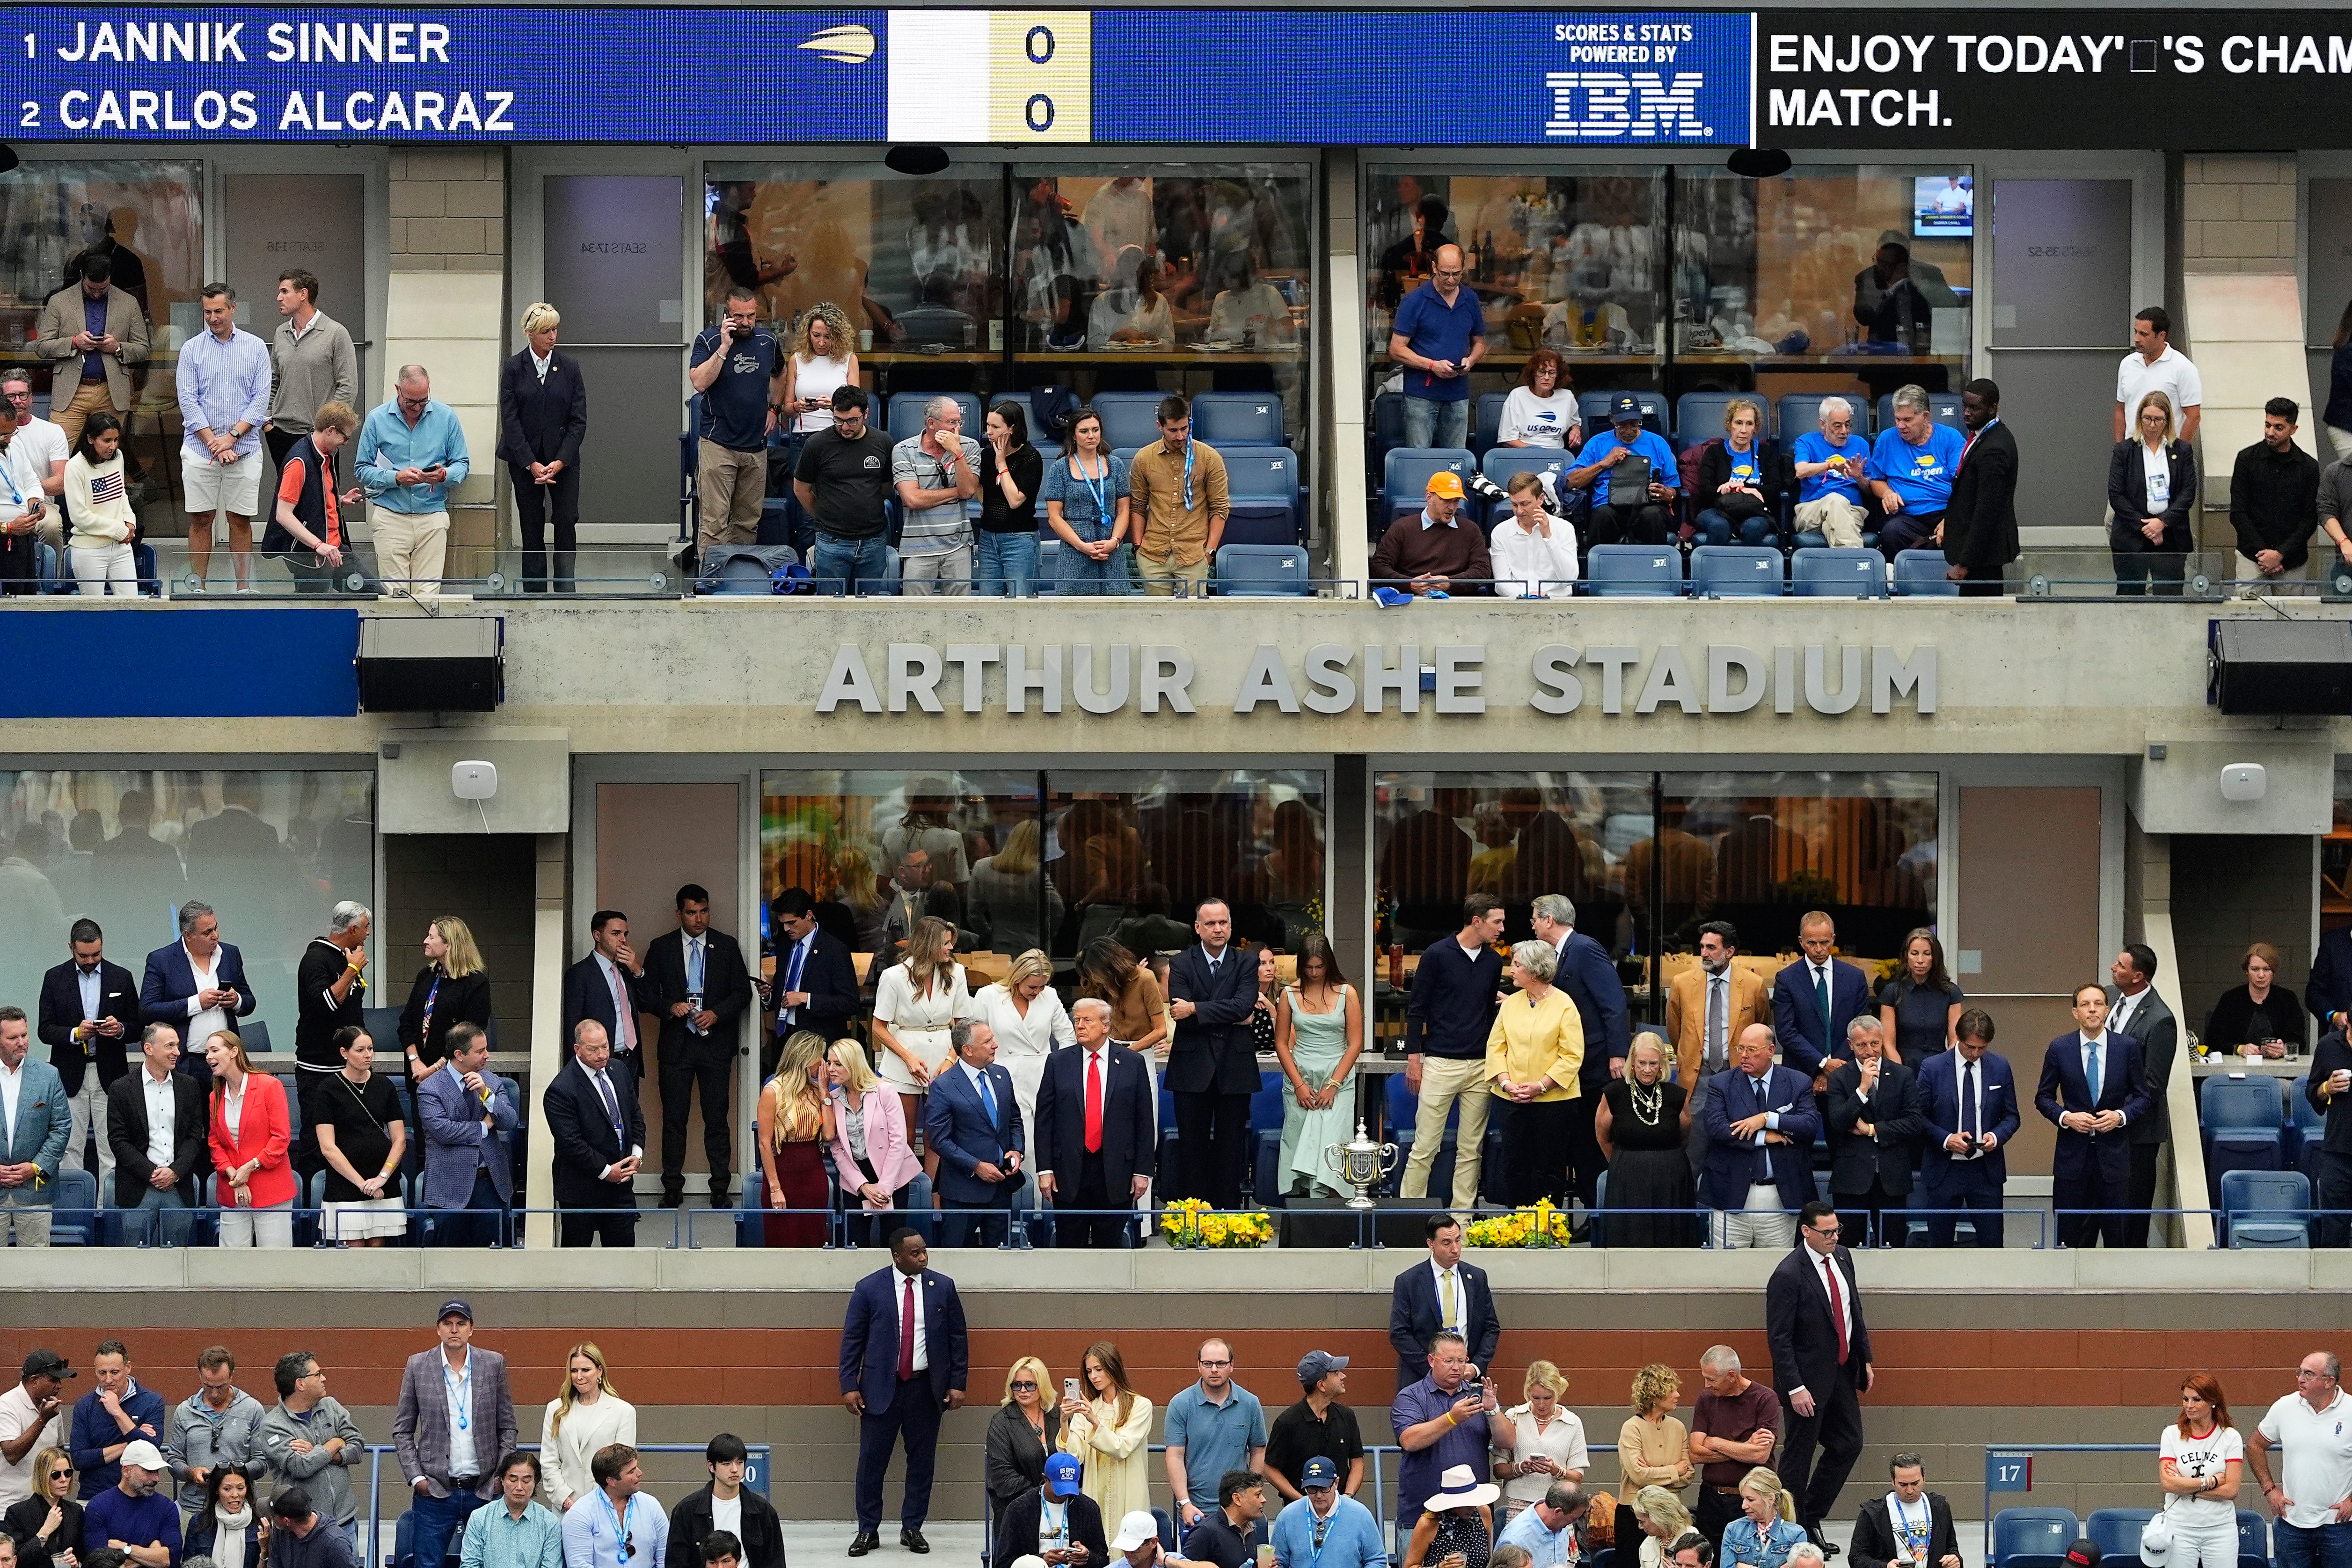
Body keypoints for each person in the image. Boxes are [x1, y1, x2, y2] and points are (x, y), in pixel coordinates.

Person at [839, 1230, 969, 1557]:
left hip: (926, 1389)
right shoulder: (869, 1288)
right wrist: (849, 1385)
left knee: (922, 1462)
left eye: (925, 1251)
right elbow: (852, 1340)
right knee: (871, 1463)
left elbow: (958, 1339)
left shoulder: (943, 1287)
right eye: (916, 1253)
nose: (923, 1257)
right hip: (880, 1390)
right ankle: (868, 1529)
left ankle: (912, 1527)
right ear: (897, 1256)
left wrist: (957, 1382)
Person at [1766, 1202, 1873, 1549]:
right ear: (1806, 1231)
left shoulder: (1842, 1256)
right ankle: (1792, 1532)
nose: (1834, 1237)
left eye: (1837, 1229)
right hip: (1805, 1382)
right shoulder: (1788, 1274)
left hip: (1841, 1371)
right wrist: (1795, 1386)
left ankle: (1810, 1516)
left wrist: (1866, 1359)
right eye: (1826, 1232)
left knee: (1849, 1443)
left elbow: (1853, 1309)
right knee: (1798, 1457)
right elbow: (1779, 1338)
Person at [644, 884, 752, 1210]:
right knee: (674, 1120)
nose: (699, 918)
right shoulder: (661, 947)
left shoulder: (726, 946)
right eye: (692, 912)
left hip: (715, 1046)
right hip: (677, 1046)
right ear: (679, 913)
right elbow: (646, 995)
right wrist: (670, 1006)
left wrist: (716, 1013)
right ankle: (672, 1187)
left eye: (704, 911)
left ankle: (721, 1186)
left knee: (717, 1119)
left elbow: (742, 993)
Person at [1402, 897, 1507, 1212]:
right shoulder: (1436, 955)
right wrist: (1414, 1059)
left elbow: (1489, 1009)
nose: (1502, 929)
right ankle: (1409, 1214)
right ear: (1477, 921)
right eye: (1497, 922)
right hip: (1440, 1062)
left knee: (1471, 1148)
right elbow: (1416, 1008)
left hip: (1480, 1065)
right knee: (1425, 1145)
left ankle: (1462, 1218)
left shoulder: (1493, 961)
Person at [393, 1302, 517, 1568]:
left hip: (485, 1489)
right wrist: (417, 1479)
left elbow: (507, 1426)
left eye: (461, 1324)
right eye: (448, 1324)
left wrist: (500, 1477)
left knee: (493, 1562)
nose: (454, 1330)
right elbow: (403, 1430)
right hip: (435, 1490)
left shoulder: (492, 1364)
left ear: (471, 1329)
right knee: (427, 1564)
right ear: (438, 1329)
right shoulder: (418, 1365)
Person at [1528, 894, 1628, 1211]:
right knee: (1579, 1142)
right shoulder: (1560, 953)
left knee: (1591, 1141)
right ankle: (1591, 1210)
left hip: (1596, 1064)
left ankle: (1600, 1213)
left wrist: (1618, 1053)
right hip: (1574, 1066)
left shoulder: (1584, 948)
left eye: (1535, 917)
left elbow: (1613, 1002)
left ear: (1549, 920)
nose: (1531, 923)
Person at [2037, 984, 2152, 1249]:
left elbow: (2143, 1096)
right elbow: (2043, 1098)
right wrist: (2066, 1117)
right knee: (2069, 1238)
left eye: (2098, 1004)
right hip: (2072, 1158)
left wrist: (2121, 1116)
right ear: (2075, 1012)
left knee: (2117, 1237)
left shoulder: (2127, 1047)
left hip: (2114, 1158)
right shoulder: (2059, 1048)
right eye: (2086, 1005)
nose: (2092, 1010)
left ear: (2107, 1010)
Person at [174, 284, 272, 592]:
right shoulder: (192, 349)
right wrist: (214, 442)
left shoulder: (256, 347)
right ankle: (197, 587)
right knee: (201, 518)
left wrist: (231, 437)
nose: (213, 318)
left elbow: (261, 399)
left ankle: (243, 587)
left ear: (233, 308)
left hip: (244, 447)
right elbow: (188, 400)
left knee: (239, 519)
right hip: (199, 448)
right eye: (207, 312)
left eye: (219, 311)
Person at [1034, 998, 1154, 1249]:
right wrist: (1045, 1170)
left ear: (1106, 1026)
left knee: (1110, 1248)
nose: (1080, 1026)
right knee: (1070, 1247)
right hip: (1068, 1171)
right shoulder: (1058, 1062)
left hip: (1116, 1171)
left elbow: (1144, 1121)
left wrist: (1143, 1172)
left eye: (1087, 1021)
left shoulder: (1132, 1063)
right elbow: (1045, 1121)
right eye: (1076, 1020)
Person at [1165, 900, 1259, 1209]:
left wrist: (1197, 1008)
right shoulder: (1180, 963)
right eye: (1211, 924)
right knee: (1192, 1149)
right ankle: (1194, 1221)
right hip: (1192, 1066)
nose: (1218, 929)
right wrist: (1227, 1012)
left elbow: (1245, 1005)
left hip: (1235, 1065)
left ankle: (1230, 1219)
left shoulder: (1246, 962)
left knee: (1231, 1149)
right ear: (1197, 928)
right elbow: (1180, 1011)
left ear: (1231, 925)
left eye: (1223, 923)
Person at [36, 922, 137, 1189]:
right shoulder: (54, 978)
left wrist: (120, 1029)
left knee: (112, 1147)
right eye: (84, 956)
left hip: (111, 1074)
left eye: (96, 954)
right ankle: (74, 1209)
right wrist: (74, 1034)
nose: (91, 961)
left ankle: (108, 1211)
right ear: (71, 948)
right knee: (70, 1147)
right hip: (69, 1074)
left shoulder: (122, 977)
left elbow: (138, 1026)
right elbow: (44, 1030)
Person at [1484, 941, 1585, 1209]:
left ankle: (1547, 1231)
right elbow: (1495, 1048)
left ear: (1536, 971)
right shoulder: (1510, 1004)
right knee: (1515, 1165)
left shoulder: (1564, 1005)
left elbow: (1572, 1055)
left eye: (1517, 965)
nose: (1511, 970)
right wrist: (1506, 1084)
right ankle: (1515, 1226)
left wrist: (1541, 1086)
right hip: (1511, 1099)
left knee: (1548, 1170)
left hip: (1555, 1103)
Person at [1700, 1026, 1819, 1251]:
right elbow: (1717, 1128)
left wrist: (1766, 1119)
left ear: (1771, 1050)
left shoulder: (1798, 1082)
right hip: (1730, 1195)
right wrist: (1765, 1137)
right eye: (1740, 1048)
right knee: (1728, 1273)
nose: (1743, 1055)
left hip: (1780, 1198)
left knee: (1777, 1272)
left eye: (1752, 1049)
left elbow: (1809, 1124)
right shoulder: (1722, 1084)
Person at [356, 365, 469, 599]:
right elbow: (362, 469)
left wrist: (443, 476)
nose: (417, 408)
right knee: (395, 596)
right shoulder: (377, 419)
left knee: (428, 597)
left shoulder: (446, 417)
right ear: (398, 390)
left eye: (423, 401)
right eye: (411, 402)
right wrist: (396, 478)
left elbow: (462, 464)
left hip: (432, 517)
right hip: (391, 516)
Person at [496, 303, 587, 594]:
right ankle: (534, 591)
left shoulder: (570, 366)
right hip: (525, 460)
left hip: (563, 460)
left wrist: (561, 461)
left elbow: (578, 420)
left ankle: (565, 588)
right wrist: (531, 463)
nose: (552, 336)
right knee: (531, 523)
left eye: (555, 329)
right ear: (530, 334)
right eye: (546, 331)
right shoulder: (513, 368)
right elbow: (510, 421)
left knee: (565, 520)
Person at [685, 286, 782, 559]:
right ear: (726, 314)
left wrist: (774, 408)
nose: (745, 323)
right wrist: (724, 347)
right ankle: (710, 583)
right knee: (714, 523)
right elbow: (699, 382)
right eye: (739, 317)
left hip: (755, 445)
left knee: (748, 522)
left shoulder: (768, 341)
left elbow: (780, 372)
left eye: (751, 317)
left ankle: (739, 580)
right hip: (719, 443)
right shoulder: (708, 340)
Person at [873, 915, 973, 1169]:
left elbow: (964, 1025)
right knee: (903, 1135)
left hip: (943, 1059)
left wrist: (952, 1058)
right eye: (946, 943)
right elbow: (878, 1027)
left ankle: (933, 1196)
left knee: (937, 1136)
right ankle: (906, 1192)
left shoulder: (956, 972)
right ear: (928, 944)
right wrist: (907, 1058)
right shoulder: (893, 976)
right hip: (902, 1059)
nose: (951, 949)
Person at [1913, 1010, 2017, 1249]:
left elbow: (2011, 1117)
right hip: (1945, 1169)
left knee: (1992, 1244)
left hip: (1985, 1171)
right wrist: (1947, 1139)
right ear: (1958, 1038)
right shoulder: (1933, 1067)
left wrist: (1996, 1136)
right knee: (1939, 1244)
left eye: (1982, 1048)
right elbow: (1917, 1116)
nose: (1976, 1054)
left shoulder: (2000, 1066)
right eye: (1971, 1047)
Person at [1271, 936, 1363, 1198]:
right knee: (1299, 1145)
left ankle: (1333, 1219)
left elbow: (1355, 1044)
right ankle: (1304, 1220)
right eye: (1309, 967)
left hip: (1338, 1078)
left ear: (1329, 965)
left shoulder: (1348, 993)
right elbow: (1280, 1043)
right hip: (1300, 1078)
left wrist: (1334, 1085)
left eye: (1319, 967)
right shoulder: (1289, 994)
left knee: (1332, 1148)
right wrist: (1299, 1085)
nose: (1314, 973)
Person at [32, 255, 149, 453]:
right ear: (82, 277)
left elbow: (143, 349)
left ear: (110, 278)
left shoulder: (128, 303)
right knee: (56, 452)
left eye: (102, 289)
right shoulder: (59, 301)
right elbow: (42, 346)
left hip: (109, 391)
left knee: (107, 454)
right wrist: (74, 342)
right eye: (91, 288)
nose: (96, 294)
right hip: (72, 391)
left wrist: (118, 347)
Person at [544, 1023, 645, 1250]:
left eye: (606, 1047)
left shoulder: (619, 1070)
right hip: (581, 1190)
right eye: (594, 1050)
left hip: (621, 1186)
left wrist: (637, 1155)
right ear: (577, 1049)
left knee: (624, 1257)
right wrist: (608, 1172)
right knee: (579, 1264)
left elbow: (635, 1117)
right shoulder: (561, 1089)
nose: (602, 1055)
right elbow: (571, 1143)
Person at [926, 1020, 1024, 1247]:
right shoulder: (944, 1086)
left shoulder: (1002, 1076)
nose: (995, 1045)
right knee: (958, 1259)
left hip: (1001, 1189)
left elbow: (1014, 1120)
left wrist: (1017, 1150)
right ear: (967, 1050)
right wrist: (976, 1166)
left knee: (999, 1259)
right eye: (988, 1041)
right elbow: (938, 1139)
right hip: (962, 1193)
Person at [1822, 1018, 1919, 1250]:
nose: (1869, 1052)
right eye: (1862, 1045)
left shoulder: (1902, 1075)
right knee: (1847, 1249)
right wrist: (1863, 1088)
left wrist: (1873, 1129)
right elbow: (1838, 1122)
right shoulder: (1838, 1078)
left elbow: (1914, 1123)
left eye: (1875, 1044)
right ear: (1850, 1045)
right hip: (1851, 1180)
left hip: (1892, 1178)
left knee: (1893, 1247)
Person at [2249, 1352, 2352, 1568]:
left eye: (2308, 1374)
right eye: (2300, 1372)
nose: (2300, 1379)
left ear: (2329, 1382)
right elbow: (2255, 1446)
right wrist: (2270, 1490)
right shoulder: (2284, 1407)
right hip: (2291, 1524)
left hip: (2339, 1527)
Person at [2106, 945, 2179, 1249]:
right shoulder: (2113, 1000)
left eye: (2121, 966)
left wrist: (2118, 1112)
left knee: (2131, 1211)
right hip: (2106, 1126)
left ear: (2138, 976)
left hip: (2136, 1133)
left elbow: (2153, 1084)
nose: (2113, 967)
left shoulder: (2161, 1019)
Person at [419, 1023, 518, 1247]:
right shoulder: (430, 1088)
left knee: (494, 1256)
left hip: (490, 1184)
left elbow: (510, 1121)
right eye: (480, 1051)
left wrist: (487, 1095)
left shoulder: (491, 1081)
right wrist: (484, 1127)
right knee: (450, 1259)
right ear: (459, 1055)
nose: (487, 1055)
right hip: (449, 1186)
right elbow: (443, 1131)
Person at [795, 385, 899, 595]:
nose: (844, 427)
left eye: (852, 420)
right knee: (830, 609)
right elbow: (801, 489)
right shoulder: (818, 445)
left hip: (874, 541)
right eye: (838, 420)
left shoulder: (883, 442)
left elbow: (887, 486)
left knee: (867, 608)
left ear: (866, 414)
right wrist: (824, 516)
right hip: (831, 542)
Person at [102, 1025, 201, 1247]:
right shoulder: (121, 1088)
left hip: (178, 1186)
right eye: (170, 1046)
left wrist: (175, 1171)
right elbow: (118, 1140)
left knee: (179, 1262)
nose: (177, 1051)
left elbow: (195, 1137)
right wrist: (153, 1173)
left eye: (178, 1045)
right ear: (149, 1048)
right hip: (138, 1188)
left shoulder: (189, 1086)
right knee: (136, 1264)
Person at [137, 905, 256, 1088]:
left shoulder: (230, 954)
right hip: (187, 1062)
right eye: (207, 932)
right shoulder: (162, 960)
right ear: (188, 935)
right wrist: (196, 1004)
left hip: (227, 1062)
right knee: (190, 1117)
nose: (215, 936)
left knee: (227, 1116)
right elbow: (148, 1011)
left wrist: (236, 1000)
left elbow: (249, 1001)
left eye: (215, 928)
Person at [1393, 1334, 1498, 1535]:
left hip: (1472, 1514)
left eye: (1461, 1361)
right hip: (1422, 1514)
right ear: (1432, 1360)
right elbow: (1410, 1440)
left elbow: (1508, 1441)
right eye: (1449, 1361)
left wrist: (1493, 1410)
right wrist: (1452, 1418)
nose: (1457, 1367)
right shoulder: (1411, 1396)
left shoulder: (1477, 1395)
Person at [775, 301, 860, 554]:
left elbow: (857, 403)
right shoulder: (797, 360)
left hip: (838, 436)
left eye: (827, 337)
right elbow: (786, 408)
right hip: (803, 438)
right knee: (805, 510)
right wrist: (798, 407)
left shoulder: (848, 360)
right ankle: (807, 571)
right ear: (808, 334)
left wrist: (833, 404)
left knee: (837, 501)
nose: (821, 342)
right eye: (816, 336)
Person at [1595, 1035, 1694, 1247]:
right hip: (1626, 1178)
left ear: (1662, 1066)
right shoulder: (1614, 1093)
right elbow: (1603, 1136)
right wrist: (1624, 1162)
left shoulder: (1676, 1095)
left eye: (1653, 1064)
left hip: (1670, 1179)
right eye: (1642, 1063)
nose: (1647, 1070)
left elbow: (1685, 1133)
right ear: (1632, 1063)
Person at [254, 1352, 363, 1545]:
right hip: (301, 1529)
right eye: (318, 1374)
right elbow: (300, 1467)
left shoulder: (331, 1406)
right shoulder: (273, 1425)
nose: (324, 1379)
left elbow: (357, 1447)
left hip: (344, 1523)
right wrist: (335, 1442)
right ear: (301, 1384)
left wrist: (321, 1452)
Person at [311, 1027, 406, 1247]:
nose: (368, 1055)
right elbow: (328, 1147)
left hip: (382, 1179)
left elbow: (399, 1139)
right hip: (346, 1182)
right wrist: (362, 1183)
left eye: (371, 1049)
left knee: (377, 1248)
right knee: (354, 1250)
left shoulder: (385, 1086)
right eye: (361, 1050)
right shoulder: (328, 1089)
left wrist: (382, 1177)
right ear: (344, 1053)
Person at [824, 1038, 922, 1246]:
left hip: (892, 1173)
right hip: (856, 1176)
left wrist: (885, 1187)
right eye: (829, 1063)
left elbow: (898, 1140)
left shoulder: (884, 1091)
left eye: (838, 1064)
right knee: (855, 1242)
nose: (831, 1069)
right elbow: (836, 1147)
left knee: (894, 1243)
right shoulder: (833, 1099)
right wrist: (863, 1186)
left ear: (853, 1064)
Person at [1128, 397, 1229, 596]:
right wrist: (1138, 546)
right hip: (1153, 554)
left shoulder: (1210, 458)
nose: (1181, 436)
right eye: (1173, 431)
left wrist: (1209, 553)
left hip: (1194, 554)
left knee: (1192, 621)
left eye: (1185, 428)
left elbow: (1220, 508)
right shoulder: (1143, 459)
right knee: (1156, 619)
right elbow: (1137, 506)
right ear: (1160, 426)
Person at [1389, 245, 1487, 450]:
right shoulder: (1414, 301)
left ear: (1463, 270)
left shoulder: (1470, 299)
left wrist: (1471, 361)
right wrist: (1432, 365)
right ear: (1434, 267)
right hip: (1421, 394)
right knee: (1419, 457)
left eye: (1456, 274)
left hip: (1458, 393)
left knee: (1455, 460)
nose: (1451, 280)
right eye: (1445, 274)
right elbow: (1397, 349)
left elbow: (1479, 342)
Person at [975, 949, 1074, 1149]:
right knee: (1014, 1137)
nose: (1037, 992)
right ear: (1017, 978)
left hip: (1043, 1076)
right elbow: (977, 1037)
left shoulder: (1051, 996)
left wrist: (1060, 1071)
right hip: (1001, 1074)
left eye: (1042, 986)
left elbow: (1067, 1037)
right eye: (1032, 986)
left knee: (1046, 1138)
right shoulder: (988, 995)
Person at [264, 269, 358, 479]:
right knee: (288, 499)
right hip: (280, 433)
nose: (279, 298)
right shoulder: (281, 333)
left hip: (318, 435)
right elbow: (273, 380)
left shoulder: (336, 333)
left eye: (284, 291)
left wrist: (328, 429)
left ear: (303, 294)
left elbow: (348, 386)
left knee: (321, 501)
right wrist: (268, 423)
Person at [201, 1033, 292, 1249]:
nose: (208, 1057)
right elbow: (215, 1143)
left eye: (214, 1050)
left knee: (274, 1262)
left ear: (234, 1052)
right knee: (232, 1262)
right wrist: (234, 1176)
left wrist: (250, 1167)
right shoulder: (216, 1095)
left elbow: (281, 1137)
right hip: (232, 1189)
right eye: (206, 1052)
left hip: (270, 1189)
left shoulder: (269, 1086)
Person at [262, 401, 363, 592]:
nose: (346, 444)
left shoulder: (324, 455)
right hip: (312, 555)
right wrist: (319, 546)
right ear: (331, 431)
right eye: (345, 438)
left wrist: (338, 501)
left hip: (335, 548)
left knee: (374, 594)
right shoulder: (300, 461)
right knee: (313, 613)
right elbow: (283, 515)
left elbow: (311, 500)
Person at [1389, 1212, 1500, 1386]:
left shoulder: (1477, 1278)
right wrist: (1434, 1370)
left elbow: (1491, 1327)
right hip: (1422, 1380)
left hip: (1468, 1380)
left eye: (1458, 1240)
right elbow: (1400, 1333)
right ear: (1431, 1244)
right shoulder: (1409, 1281)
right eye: (1447, 1243)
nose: (1455, 1249)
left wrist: (1476, 1366)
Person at [1164, 1343, 1267, 1531]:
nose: (1214, 1370)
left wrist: (1250, 1496)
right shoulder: (1180, 1404)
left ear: (1231, 1365)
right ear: (1199, 1365)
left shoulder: (1250, 1403)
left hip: (1239, 1510)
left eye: (1220, 1363)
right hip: (1197, 1512)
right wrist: (1185, 1503)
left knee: (1243, 1561)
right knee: (1196, 1561)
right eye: (1208, 1363)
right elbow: (1175, 1457)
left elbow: (1258, 1451)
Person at [1687, 1349, 1780, 1553]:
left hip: (1750, 1501)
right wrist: (1745, 1446)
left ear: (1732, 1376)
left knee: (1748, 1558)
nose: (1707, 1385)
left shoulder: (1765, 1399)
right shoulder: (1706, 1398)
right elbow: (1694, 1453)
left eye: (1711, 1379)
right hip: (1711, 1499)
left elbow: (1760, 1455)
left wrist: (1714, 1442)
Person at [2109, 389, 2197, 597]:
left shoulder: (2182, 450)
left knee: (2170, 596)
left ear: (2167, 421)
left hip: (2171, 536)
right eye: (2147, 418)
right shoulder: (2124, 451)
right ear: (2139, 419)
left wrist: (2162, 523)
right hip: (2132, 537)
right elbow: (2116, 494)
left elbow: (2187, 492)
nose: (2152, 424)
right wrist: (2146, 527)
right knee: (2130, 596)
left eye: (2159, 419)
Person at [1667, 922, 1767, 1104]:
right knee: (1695, 1131)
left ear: (1729, 952)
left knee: (1738, 1130)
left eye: (1711, 948)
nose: (1704, 953)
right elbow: (1675, 1030)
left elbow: (1761, 1027)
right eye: (1703, 947)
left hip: (1740, 1071)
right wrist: (1688, 1055)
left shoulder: (1754, 985)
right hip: (1696, 1075)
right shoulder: (1682, 984)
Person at [890, 396, 981, 595]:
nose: (957, 429)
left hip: (959, 546)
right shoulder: (904, 450)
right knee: (917, 615)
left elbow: (969, 491)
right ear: (932, 423)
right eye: (951, 423)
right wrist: (957, 493)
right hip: (918, 547)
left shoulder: (969, 447)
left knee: (960, 615)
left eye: (959, 422)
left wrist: (957, 453)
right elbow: (912, 499)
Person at [2228, 399, 2322, 584]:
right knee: (2247, 613)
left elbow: (2310, 518)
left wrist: (2281, 554)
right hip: (2252, 557)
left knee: (2294, 613)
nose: (2270, 432)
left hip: (2292, 562)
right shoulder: (2247, 459)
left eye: (2278, 428)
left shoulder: (2308, 467)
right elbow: (2238, 513)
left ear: (2293, 429)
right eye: (2267, 425)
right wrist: (2265, 555)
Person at [1865, 387, 1965, 559]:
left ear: (1925, 417)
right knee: (1891, 533)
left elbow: (1964, 484)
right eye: (1898, 419)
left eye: (1908, 420)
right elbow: (1876, 480)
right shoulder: (1887, 440)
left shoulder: (1950, 438)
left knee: (1959, 532)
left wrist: (1951, 520)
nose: (1901, 426)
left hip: (1945, 511)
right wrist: (1887, 493)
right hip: (1908, 517)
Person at [160, 1348, 261, 1517]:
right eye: (208, 1386)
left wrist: (231, 1475)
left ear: (231, 1376)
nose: (215, 1394)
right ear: (200, 1376)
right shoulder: (184, 1411)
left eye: (221, 1387)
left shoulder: (252, 1409)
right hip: (194, 1508)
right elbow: (174, 1461)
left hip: (239, 1510)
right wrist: (191, 1473)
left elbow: (261, 1463)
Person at [1770, 916, 1870, 1084]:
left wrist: (1834, 1068)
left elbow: (1859, 1027)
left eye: (1824, 943)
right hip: (1801, 1076)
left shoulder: (1855, 978)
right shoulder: (1787, 979)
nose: (1819, 949)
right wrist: (1822, 1064)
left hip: (1846, 1072)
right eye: (1811, 943)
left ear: (1833, 939)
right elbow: (1786, 1032)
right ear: (1801, 942)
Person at [1061, 1344, 1153, 1525]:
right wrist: (1064, 1421)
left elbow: (1121, 1448)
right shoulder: (1087, 1408)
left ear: (1113, 1367)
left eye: (1099, 1369)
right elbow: (1073, 1456)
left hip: (1129, 1495)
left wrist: (1094, 1421)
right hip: (1095, 1493)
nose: (1093, 1376)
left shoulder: (1141, 1406)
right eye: (1089, 1371)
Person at [1044, 407, 1132, 596]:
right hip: (1074, 553)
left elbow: (1124, 510)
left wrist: (1115, 541)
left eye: (1095, 430)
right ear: (1074, 436)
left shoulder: (1115, 465)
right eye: (1084, 431)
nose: (1091, 436)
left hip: (1111, 552)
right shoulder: (1060, 468)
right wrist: (1081, 545)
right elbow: (1054, 516)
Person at [2157, 1374, 2243, 1568]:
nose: (2189, 1405)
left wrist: (2184, 1485)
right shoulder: (2172, 1434)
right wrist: (2212, 1481)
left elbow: (2231, 1491)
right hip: (2179, 1528)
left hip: (2220, 1530)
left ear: (2213, 1402)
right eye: (2186, 1399)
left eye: (2197, 1400)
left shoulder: (2230, 1437)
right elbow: (2168, 1484)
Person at [1568, 396, 1678, 547]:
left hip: (1649, 507)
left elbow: (1674, 489)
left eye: (1634, 424)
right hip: (1609, 507)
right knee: (1602, 516)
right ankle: (1596, 567)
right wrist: (1603, 464)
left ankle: (1655, 567)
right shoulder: (1597, 443)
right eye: (1622, 425)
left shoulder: (1657, 443)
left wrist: (1668, 494)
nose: (1629, 431)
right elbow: (1571, 481)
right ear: (1612, 419)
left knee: (1652, 515)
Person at [538, 1347, 635, 1518]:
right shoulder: (555, 1409)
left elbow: (622, 1467)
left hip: (607, 1510)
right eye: (574, 1371)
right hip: (566, 1511)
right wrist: (568, 1502)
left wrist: (599, 1504)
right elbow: (549, 1463)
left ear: (600, 1371)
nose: (579, 1376)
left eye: (586, 1370)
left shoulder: (623, 1411)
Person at [752, 1029, 827, 1248]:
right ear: (805, 1058)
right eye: (819, 1057)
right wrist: (775, 1188)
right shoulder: (772, 1091)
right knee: (783, 1238)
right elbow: (765, 1143)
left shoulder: (816, 1091)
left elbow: (830, 1134)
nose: (823, 1063)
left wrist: (825, 1093)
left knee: (815, 1236)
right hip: (783, 1171)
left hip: (814, 1171)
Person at [398, 917, 495, 1087]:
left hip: (453, 1077)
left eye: (431, 937)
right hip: (418, 1073)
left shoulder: (475, 983)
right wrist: (415, 1060)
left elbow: (468, 1036)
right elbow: (406, 1022)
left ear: (449, 945)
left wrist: (434, 1069)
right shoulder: (426, 976)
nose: (425, 941)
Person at [1941, 379, 2017, 593]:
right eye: (1965, 406)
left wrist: (1965, 563)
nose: (1967, 413)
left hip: (1984, 556)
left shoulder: (1995, 449)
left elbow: (1987, 511)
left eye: (1975, 408)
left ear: (1993, 408)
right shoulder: (1982, 437)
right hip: (1978, 553)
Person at [768, 889, 860, 1063]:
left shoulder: (835, 950)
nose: (787, 929)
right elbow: (785, 989)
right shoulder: (785, 945)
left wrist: (807, 999)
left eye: (792, 923)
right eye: (783, 924)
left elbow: (850, 1002)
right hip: (786, 1037)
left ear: (809, 915)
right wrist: (769, 996)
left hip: (818, 1042)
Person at [665, 1436, 782, 1568]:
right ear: (711, 1466)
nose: (735, 1470)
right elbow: (676, 1562)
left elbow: (775, 1562)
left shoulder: (763, 1511)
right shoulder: (686, 1511)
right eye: (726, 1464)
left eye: (740, 1463)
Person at [560, 912, 649, 1082]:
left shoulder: (626, 970)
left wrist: (637, 970)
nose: (623, 939)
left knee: (629, 1108)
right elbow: (573, 1024)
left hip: (630, 1059)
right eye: (616, 934)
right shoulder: (580, 974)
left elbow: (646, 1004)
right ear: (597, 936)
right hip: (599, 1061)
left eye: (625, 934)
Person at [1372, 472, 1493, 596]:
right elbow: (1378, 567)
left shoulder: (1471, 530)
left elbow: (1483, 570)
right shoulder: (1402, 528)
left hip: (1456, 600)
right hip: (1411, 600)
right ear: (1429, 498)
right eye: (1446, 500)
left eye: (1456, 501)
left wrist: (1451, 583)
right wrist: (1409, 584)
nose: (1452, 507)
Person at [1493, 1366, 1586, 1527]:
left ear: (1557, 1393)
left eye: (1548, 1398)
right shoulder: (1514, 1416)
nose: (1542, 1404)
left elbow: (1578, 1476)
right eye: (1535, 1398)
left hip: (1559, 1506)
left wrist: (1556, 1470)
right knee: (1519, 1551)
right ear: (1527, 1393)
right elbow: (1498, 1470)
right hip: (1519, 1501)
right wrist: (1521, 1468)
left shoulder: (1572, 1422)